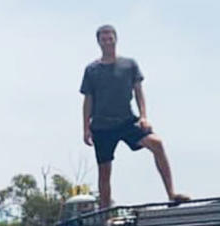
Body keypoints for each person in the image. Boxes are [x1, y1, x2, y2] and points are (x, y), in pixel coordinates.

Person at [81, 24, 190, 209]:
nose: (107, 42)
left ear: (116, 39)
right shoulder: (92, 70)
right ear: (98, 42)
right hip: (102, 126)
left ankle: (172, 193)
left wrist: (143, 116)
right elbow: (88, 100)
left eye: (110, 38)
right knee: (104, 171)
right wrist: (85, 128)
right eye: (103, 39)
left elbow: (139, 92)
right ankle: (105, 213)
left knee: (157, 144)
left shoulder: (129, 65)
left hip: (127, 121)